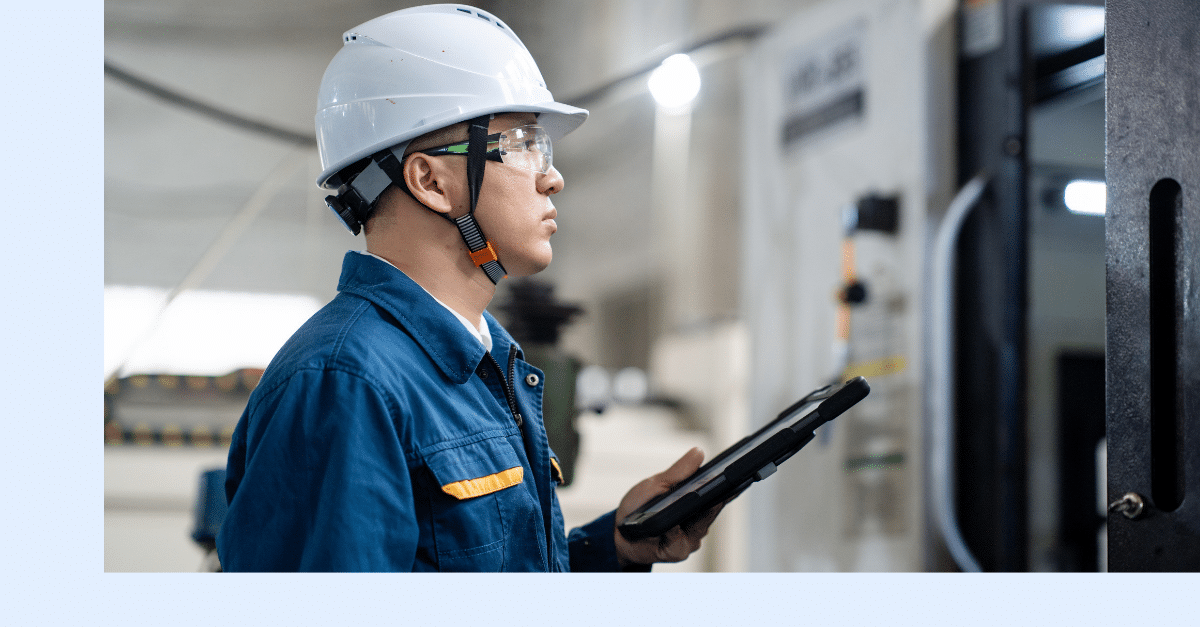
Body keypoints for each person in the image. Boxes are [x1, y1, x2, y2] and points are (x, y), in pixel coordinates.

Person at [217, 4, 719, 572]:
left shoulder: (483, 358)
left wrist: (616, 548)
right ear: (431, 181)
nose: (552, 176)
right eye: (523, 143)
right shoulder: (346, 383)